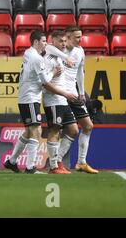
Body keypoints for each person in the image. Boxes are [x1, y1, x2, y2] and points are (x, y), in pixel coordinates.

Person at [4, 30, 77, 174]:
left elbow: (49, 49)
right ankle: (31, 167)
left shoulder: (28, 53)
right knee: (36, 130)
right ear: (36, 42)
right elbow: (45, 81)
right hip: (30, 97)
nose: (46, 44)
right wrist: (54, 73)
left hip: (28, 97)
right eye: (43, 41)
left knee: (28, 131)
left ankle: (11, 162)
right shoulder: (37, 58)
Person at [45, 26, 99, 174]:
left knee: (87, 126)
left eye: (80, 37)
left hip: (73, 93)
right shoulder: (59, 50)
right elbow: (49, 48)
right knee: (59, 129)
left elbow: (80, 71)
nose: (79, 40)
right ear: (67, 37)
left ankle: (80, 162)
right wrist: (65, 57)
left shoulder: (79, 51)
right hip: (60, 93)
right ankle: (55, 163)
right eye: (76, 37)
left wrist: (81, 92)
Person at [42, 31, 80, 174]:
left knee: (73, 130)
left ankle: (58, 160)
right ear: (52, 42)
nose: (64, 44)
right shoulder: (47, 57)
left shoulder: (58, 57)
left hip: (63, 100)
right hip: (52, 100)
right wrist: (64, 93)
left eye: (65, 41)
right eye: (60, 41)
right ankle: (53, 167)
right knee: (54, 130)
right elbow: (45, 84)